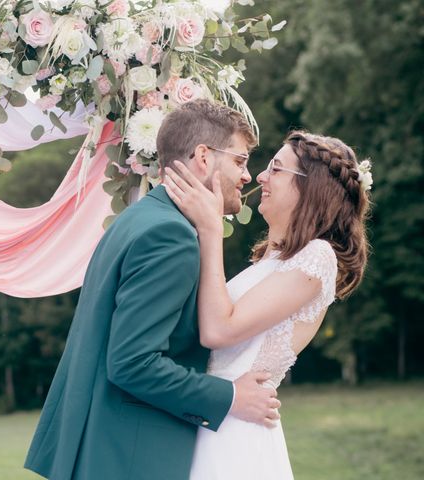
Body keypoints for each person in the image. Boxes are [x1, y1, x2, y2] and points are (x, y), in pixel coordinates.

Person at [24, 100, 281, 480]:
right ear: (204, 157)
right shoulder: (170, 236)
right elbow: (132, 362)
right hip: (128, 458)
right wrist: (229, 398)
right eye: (240, 161)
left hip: (104, 447)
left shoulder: (140, 219)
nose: (247, 176)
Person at [164, 130, 370, 479]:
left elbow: (218, 329)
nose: (260, 176)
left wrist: (211, 230)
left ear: (309, 187)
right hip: (214, 416)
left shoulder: (317, 257)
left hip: (234, 436)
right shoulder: (273, 259)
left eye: (276, 169)